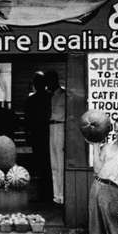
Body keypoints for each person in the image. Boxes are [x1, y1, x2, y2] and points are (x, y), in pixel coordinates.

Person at [24, 71, 52, 201]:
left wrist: (27, 134)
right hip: (47, 133)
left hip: (37, 134)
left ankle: (41, 192)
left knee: (39, 163)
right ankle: (48, 191)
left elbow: (27, 120)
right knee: (49, 163)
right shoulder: (50, 98)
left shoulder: (31, 100)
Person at [45, 70, 66, 205]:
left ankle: (62, 194)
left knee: (60, 161)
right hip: (51, 127)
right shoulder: (49, 96)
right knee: (53, 162)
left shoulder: (64, 95)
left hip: (60, 126)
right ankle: (56, 195)